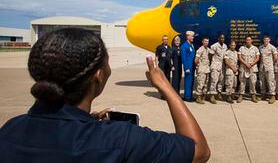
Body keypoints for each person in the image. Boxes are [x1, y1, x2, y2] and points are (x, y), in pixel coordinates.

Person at [0, 28, 210, 163]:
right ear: (98, 76)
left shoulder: (10, 129)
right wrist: (166, 86)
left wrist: (88, 121)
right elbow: (199, 151)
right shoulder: (121, 138)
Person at [237, 36, 260, 103]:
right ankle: (241, 95)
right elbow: (239, 57)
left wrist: (251, 64)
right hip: (244, 67)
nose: (248, 41)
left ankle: (253, 95)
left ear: (251, 41)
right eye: (247, 40)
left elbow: (258, 58)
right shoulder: (242, 48)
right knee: (242, 82)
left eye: (249, 40)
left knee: (253, 82)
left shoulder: (255, 48)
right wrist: (246, 64)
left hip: (252, 68)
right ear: (245, 41)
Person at [208, 34, 228, 104]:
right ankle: (212, 95)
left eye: (223, 38)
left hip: (222, 66)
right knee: (214, 81)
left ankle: (219, 93)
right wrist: (211, 65)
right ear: (218, 38)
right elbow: (210, 56)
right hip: (215, 65)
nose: (222, 39)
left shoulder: (225, 46)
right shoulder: (214, 46)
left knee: (221, 80)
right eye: (221, 38)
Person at [258, 36, 278, 104]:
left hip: (269, 67)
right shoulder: (260, 47)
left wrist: (271, 64)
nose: (266, 40)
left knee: (270, 81)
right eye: (265, 39)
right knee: (262, 82)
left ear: (269, 40)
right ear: (263, 40)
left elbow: (275, 57)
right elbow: (259, 57)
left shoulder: (272, 47)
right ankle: (263, 94)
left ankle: (272, 96)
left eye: (267, 39)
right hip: (262, 67)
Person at [194, 37, 212, 104]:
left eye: (207, 41)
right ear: (202, 42)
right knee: (200, 84)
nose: (206, 43)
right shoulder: (200, 49)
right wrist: (199, 67)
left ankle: (203, 96)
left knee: (205, 84)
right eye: (205, 41)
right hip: (201, 70)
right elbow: (196, 60)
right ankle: (198, 98)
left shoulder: (207, 49)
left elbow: (213, 53)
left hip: (207, 69)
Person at [181, 31, 196, 102]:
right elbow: (183, 58)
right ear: (188, 37)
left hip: (192, 67)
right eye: (192, 36)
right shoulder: (184, 46)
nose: (193, 37)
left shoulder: (191, 45)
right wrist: (186, 68)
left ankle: (190, 95)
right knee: (188, 82)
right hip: (188, 67)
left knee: (192, 81)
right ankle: (187, 97)